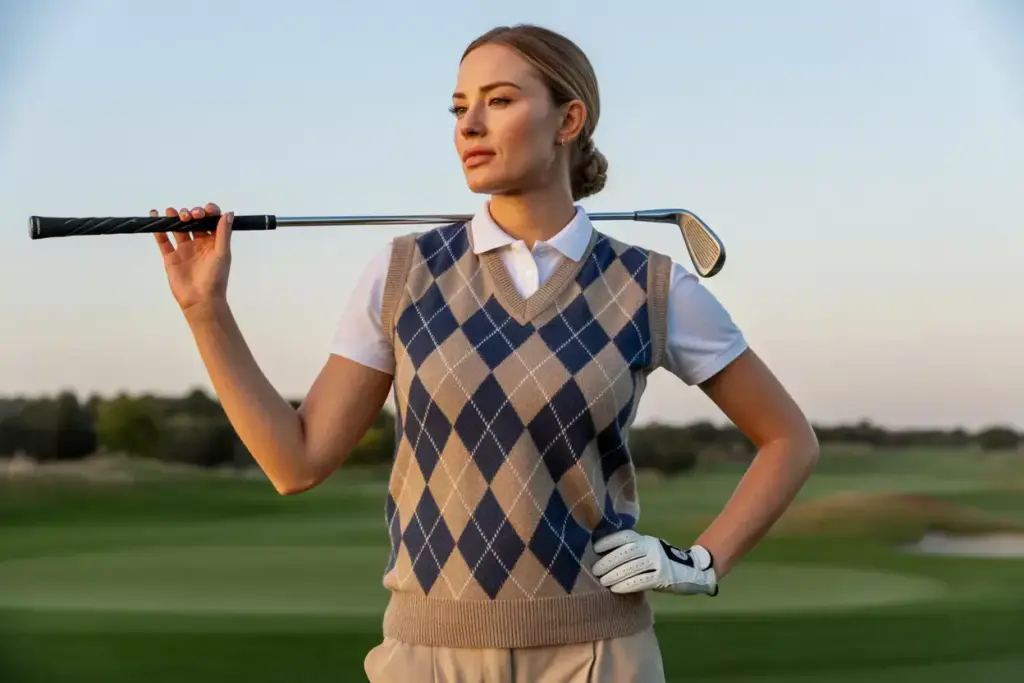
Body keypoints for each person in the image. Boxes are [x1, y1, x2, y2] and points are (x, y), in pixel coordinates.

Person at [151, 23, 820, 683]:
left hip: (597, 657)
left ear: (568, 120)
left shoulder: (650, 286)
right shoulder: (403, 271)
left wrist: (700, 560)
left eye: (498, 101)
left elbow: (789, 439)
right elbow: (293, 460)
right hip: (424, 658)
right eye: (459, 106)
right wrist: (204, 310)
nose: (468, 125)